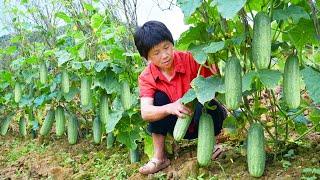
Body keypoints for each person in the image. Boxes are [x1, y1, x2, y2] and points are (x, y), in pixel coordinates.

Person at [134, 20, 227, 175]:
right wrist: (170, 107)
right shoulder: (146, 77)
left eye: (167, 47)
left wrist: (213, 63)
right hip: (176, 126)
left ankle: (212, 144)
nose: (165, 55)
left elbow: (216, 84)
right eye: (156, 53)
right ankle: (159, 158)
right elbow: (146, 112)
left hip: (200, 120)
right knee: (158, 99)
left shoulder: (192, 59)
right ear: (147, 57)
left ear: (172, 43)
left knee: (206, 101)